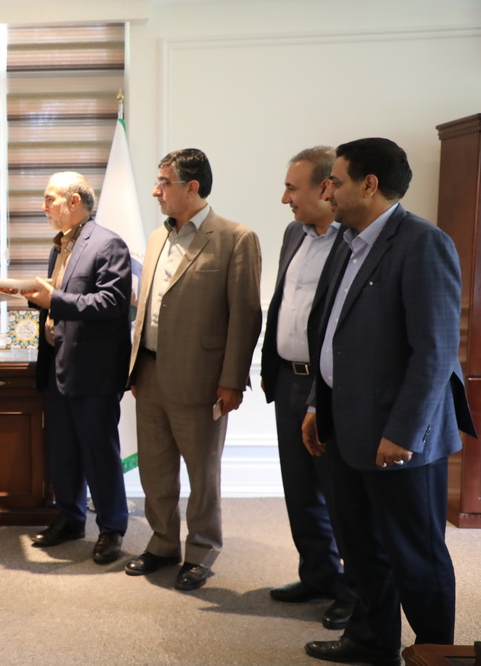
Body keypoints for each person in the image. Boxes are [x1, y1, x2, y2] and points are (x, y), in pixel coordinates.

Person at [302, 138, 475, 665]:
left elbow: (435, 352)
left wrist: (403, 432)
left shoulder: (424, 243)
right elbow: (329, 333)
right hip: (343, 424)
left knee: (415, 555)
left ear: (369, 185)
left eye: (335, 181)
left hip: (400, 438)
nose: (327, 191)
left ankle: (433, 653)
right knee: (360, 547)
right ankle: (371, 640)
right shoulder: (346, 241)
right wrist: (316, 404)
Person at [126, 148, 262, 591]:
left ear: (192, 187)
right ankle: (163, 543)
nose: (155, 191)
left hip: (202, 380)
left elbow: (245, 316)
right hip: (149, 373)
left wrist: (232, 380)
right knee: (155, 470)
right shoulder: (156, 238)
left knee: (202, 474)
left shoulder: (235, 238)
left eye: (163, 182)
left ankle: (200, 550)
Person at [259, 147, 355, 629]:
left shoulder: (354, 241)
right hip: (288, 379)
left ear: (325, 187)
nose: (285, 199)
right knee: (299, 489)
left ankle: (354, 592)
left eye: (292, 188)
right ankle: (318, 575)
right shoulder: (293, 233)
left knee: (340, 493)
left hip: (329, 385)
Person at [25, 171, 132, 564]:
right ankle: (70, 518)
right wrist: (32, 295)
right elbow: (61, 298)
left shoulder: (108, 244)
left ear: (74, 201)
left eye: (49, 198)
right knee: (63, 451)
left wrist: (53, 300)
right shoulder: (61, 246)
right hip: (59, 364)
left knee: (99, 452)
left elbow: (112, 303)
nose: (43, 206)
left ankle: (111, 528)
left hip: (93, 370)